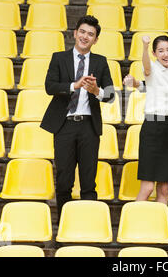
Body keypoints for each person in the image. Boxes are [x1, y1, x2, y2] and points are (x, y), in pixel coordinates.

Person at [40, 15, 115, 219]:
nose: (85, 36)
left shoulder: (100, 62)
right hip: (64, 125)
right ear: (75, 33)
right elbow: (50, 86)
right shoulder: (59, 58)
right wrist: (74, 85)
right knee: (64, 179)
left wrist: (95, 90)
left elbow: (109, 95)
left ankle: (88, 223)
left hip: (89, 127)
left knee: (89, 180)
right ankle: (64, 222)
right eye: (82, 32)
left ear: (95, 40)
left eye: (90, 34)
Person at [123, 35, 168, 205]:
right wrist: (145, 47)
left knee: (164, 190)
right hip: (152, 129)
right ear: (155, 53)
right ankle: (133, 227)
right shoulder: (152, 69)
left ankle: (160, 229)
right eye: (161, 51)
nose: (166, 54)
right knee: (147, 188)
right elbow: (146, 68)